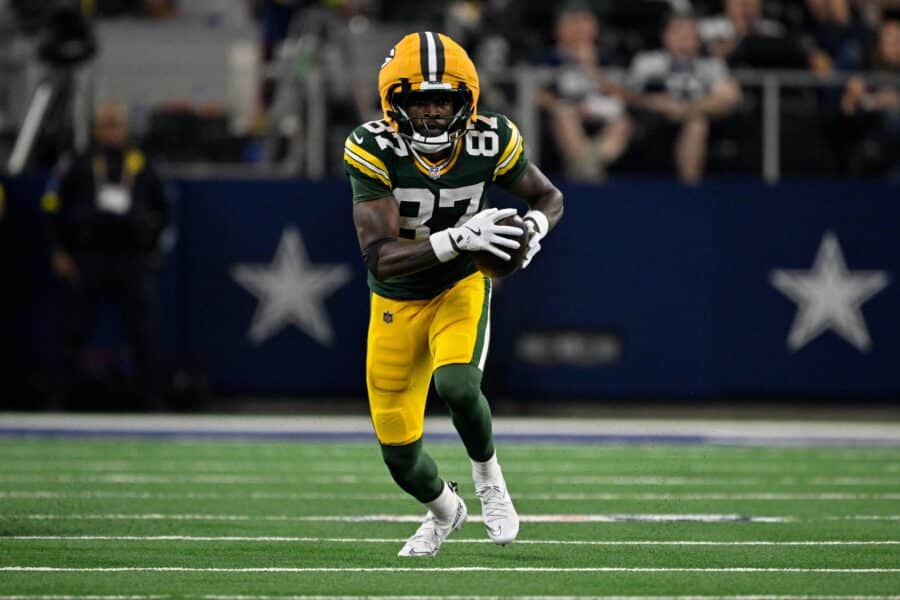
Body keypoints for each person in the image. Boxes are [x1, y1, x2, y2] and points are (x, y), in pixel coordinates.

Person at [344, 32, 564, 557]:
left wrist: (535, 228)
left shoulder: (492, 139)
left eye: (444, 99)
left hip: (458, 285)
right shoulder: (372, 145)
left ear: (465, 101)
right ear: (395, 103)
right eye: (421, 101)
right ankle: (446, 510)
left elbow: (549, 196)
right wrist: (455, 238)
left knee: (459, 385)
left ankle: (489, 478)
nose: (434, 113)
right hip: (395, 298)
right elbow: (379, 255)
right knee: (400, 457)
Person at [43, 102, 170, 409]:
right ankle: (59, 398)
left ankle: (151, 399)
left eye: (117, 124)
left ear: (126, 129)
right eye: (106, 124)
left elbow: (164, 210)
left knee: (143, 331)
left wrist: (156, 248)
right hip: (88, 258)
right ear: (96, 129)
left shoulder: (142, 164)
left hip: (131, 259)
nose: (111, 130)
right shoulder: (79, 163)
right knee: (73, 329)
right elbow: (52, 205)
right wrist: (57, 249)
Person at [628, 13, 742, 184]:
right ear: (665, 37)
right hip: (655, 119)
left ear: (698, 39)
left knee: (697, 122)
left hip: (701, 117)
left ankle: (689, 187)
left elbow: (730, 96)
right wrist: (660, 104)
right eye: (677, 32)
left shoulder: (711, 64)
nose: (683, 38)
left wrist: (687, 109)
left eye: (688, 33)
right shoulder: (647, 61)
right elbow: (629, 96)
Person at [539, 3, 633, 181]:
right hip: (566, 113)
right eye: (571, 23)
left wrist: (592, 68)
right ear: (558, 30)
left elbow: (623, 95)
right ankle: (592, 174)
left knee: (623, 123)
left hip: (603, 112)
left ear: (595, 28)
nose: (578, 29)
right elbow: (536, 92)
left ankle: (586, 169)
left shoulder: (609, 58)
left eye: (583, 22)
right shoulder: (547, 59)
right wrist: (562, 105)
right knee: (565, 115)